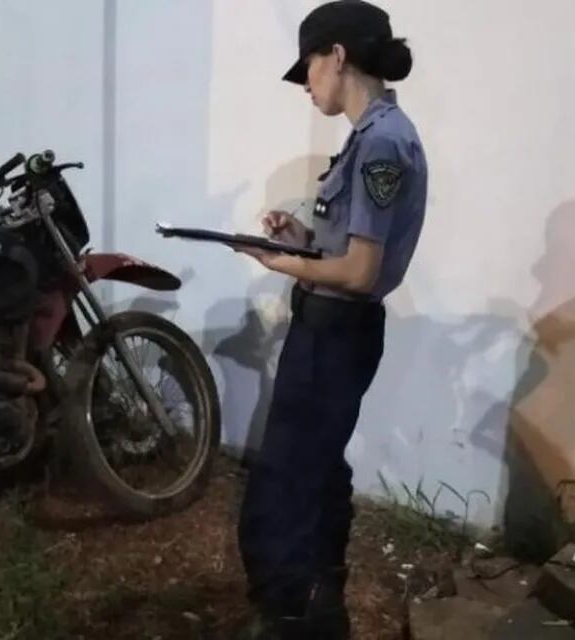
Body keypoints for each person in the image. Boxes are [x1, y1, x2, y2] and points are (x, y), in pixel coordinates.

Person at [232, 1, 428, 638]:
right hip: (331, 331)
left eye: (309, 67)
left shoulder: (381, 143)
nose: (308, 83)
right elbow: (346, 251)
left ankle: (292, 613)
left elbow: (360, 274)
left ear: (336, 56)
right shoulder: (372, 135)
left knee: (287, 480)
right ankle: (320, 604)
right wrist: (300, 238)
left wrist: (277, 262)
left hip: (336, 333)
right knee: (317, 469)